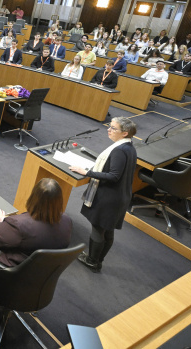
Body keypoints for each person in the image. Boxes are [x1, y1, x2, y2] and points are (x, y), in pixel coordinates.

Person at [69, 117, 138, 273]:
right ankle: (98, 260)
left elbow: (114, 176)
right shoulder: (129, 147)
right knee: (108, 230)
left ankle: (92, 261)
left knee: (99, 229)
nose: (109, 129)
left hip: (109, 198)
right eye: (110, 126)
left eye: (113, 128)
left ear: (124, 133)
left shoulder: (120, 150)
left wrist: (87, 172)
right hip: (120, 196)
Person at [0, 178, 73, 267]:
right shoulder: (67, 221)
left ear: (33, 198)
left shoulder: (18, 224)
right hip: (41, 271)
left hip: (13, 272)